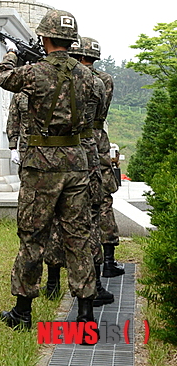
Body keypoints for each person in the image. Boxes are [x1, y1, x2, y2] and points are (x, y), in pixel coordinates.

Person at [0, 9, 98, 338]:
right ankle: (84, 314)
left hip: (41, 162)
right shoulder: (90, 78)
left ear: (45, 37)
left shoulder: (36, 72)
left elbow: (4, 76)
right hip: (76, 160)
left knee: (32, 236)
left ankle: (23, 311)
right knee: (78, 236)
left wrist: (13, 52)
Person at [43, 37, 114, 307]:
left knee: (51, 222)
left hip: (55, 153)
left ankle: (52, 281)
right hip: (87, 154)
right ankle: (92, 287)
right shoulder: (98, 81)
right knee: (86, 222)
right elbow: (101, 114)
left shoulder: (51, 76)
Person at [71, 36, 124, 277]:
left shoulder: (78, 78)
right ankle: (109, 259)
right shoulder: (105, 79)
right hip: (99, 137)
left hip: (80, 138)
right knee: (104, 199)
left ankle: (87, 260)